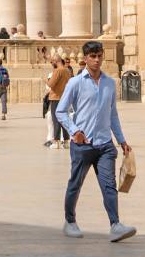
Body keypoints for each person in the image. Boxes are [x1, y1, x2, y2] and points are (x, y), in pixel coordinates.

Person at [55, 40, 135, 242]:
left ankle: (115, 225)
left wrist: (121, 139)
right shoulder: (75, 83)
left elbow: (113, 114)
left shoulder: (109, 82)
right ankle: (70, 221)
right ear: (85, 58)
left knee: (109, 185)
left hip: (105, 145)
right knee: (75, 184)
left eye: (100, 55)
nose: (97, 60)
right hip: (83, 145)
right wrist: (74, 131)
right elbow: (60, 111)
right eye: (93, 56)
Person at [44, 55, 73, 148]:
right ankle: (66, 141)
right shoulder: (67, 71)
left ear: (55, 61)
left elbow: (51, 84)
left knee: (56, 119)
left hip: (56, 98)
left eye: (52, 62)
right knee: (64, 119)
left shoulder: (57, 71)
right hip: (65, 98)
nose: (52, 64)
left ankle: (56, 142)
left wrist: (46, 80)